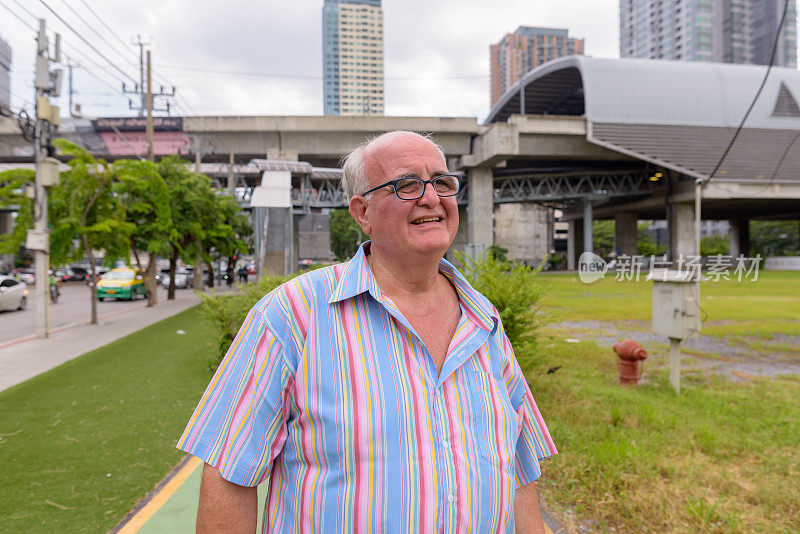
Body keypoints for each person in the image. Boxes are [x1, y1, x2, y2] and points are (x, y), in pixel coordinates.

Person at [177, 131, 557, 532]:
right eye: (406, 185)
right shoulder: (293, 315)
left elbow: (518, 471)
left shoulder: (485, 321)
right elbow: (228, 476)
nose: (431, 198)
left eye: (441, 182)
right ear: (362, 212)